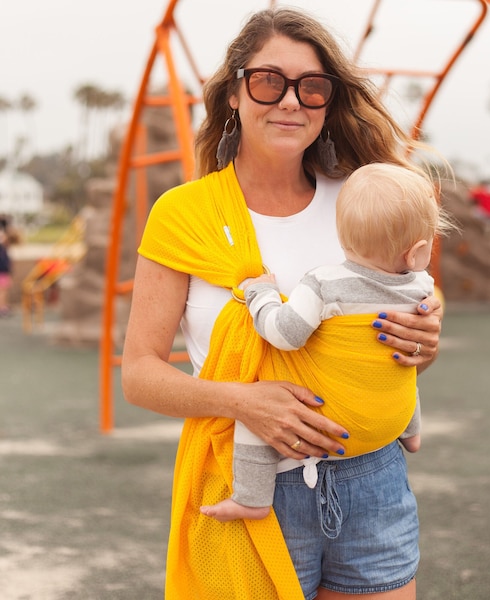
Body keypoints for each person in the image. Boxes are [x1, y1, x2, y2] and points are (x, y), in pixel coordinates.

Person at [122, 8, 445, 600]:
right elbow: (140, 375)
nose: (291, 101)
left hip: (373, 481)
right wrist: (243, 401)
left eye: (312, 87)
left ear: (328, 102)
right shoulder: (184, 215)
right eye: (269, 81)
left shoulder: (363, 200)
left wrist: (423, 342)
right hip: (254, 488)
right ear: (234, 92)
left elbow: (399, 340)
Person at [201, 162, 455, 523]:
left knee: (252, 417)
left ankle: (251, 497)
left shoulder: (325, 283)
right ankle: (413, 434)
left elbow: (284, 334)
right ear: (416, 253)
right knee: (392, 364)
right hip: (388, 423)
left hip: (332, 425)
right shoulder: (422, 286)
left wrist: (262, 295)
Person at [0, 229, 12, 316]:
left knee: (4, 292)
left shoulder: (4, 248)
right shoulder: (1, 249)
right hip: (2, 272)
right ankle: (2, 308)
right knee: (2, 292)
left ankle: (4, 306)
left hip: (4, 272)